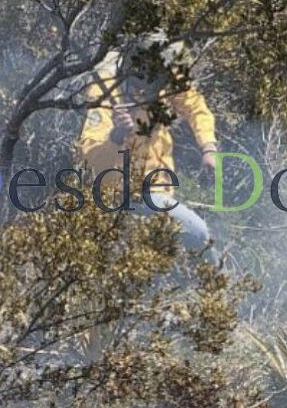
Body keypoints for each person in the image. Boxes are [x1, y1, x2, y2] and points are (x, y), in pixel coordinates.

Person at [78, 31, 220, 263]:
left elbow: (195, 106)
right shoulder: (104, 91)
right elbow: (91, 158)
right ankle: (216, 293)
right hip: (117, 196)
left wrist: (208, 147)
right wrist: (116, 135)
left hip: (159, 187)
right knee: (200, 234)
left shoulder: (163, 75)